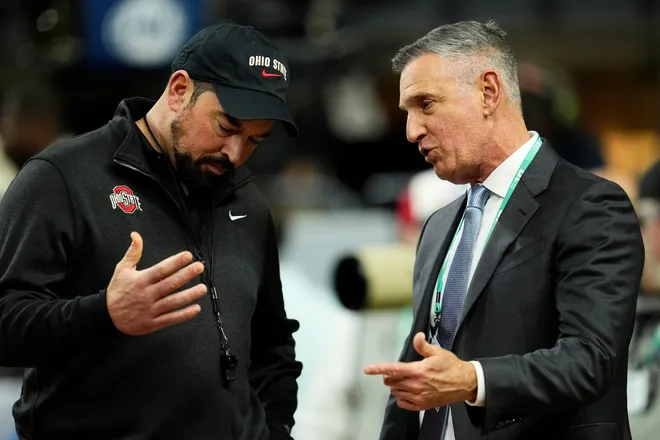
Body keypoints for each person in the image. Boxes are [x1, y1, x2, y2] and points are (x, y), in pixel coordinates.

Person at [0, 23, 302, 440]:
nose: (236, 153)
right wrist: (104, 314)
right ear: (179, 90)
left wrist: (276, 429)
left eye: (255, 140)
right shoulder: (62, 178)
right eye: (227, 127)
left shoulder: (246, 201)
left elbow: (272, 346)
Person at [364, 20, 644, 440]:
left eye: (426, 104)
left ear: (488, 92)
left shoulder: (590, 205)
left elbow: (591, 359)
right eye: (407, 112)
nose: (411, 131)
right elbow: (415, 382)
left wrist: (474, 380)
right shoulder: (438, 226)